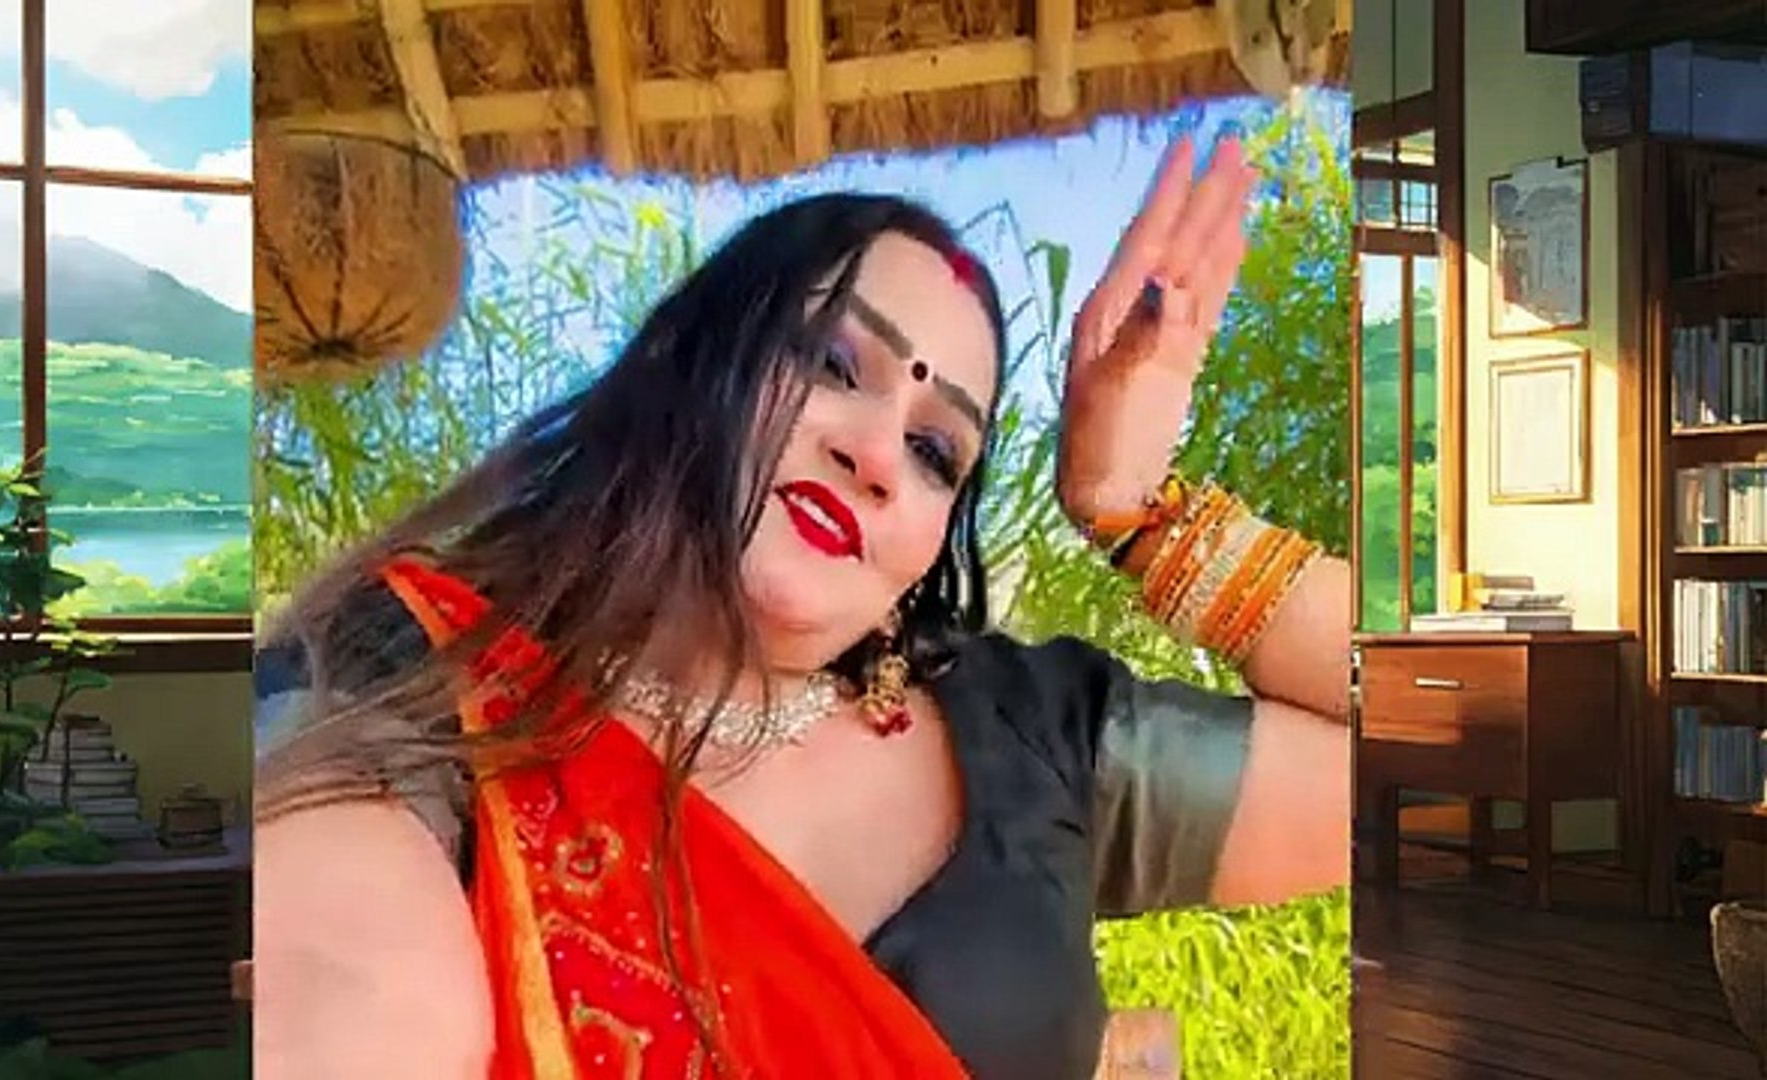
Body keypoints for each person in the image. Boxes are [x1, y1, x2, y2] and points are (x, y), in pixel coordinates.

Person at [251, 133, 1351, 1080]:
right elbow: (349, 980)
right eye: (832, 362)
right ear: (685, 355)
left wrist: (1142, 513)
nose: (876, 452)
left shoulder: (1033, 733)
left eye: (936, 451)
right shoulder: (419, 666)